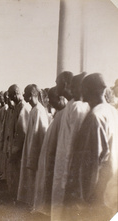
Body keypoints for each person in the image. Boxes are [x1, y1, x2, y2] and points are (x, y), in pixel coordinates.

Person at [64, 73, 118, 220]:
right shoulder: (113, 112)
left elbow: (91, 162)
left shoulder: (96, 116)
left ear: (87, 90)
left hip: (97, 194)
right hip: (111, 190)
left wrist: (83, 197)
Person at [51, 72, 90, 220]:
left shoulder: (78, 107)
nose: (56, 88)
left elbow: (75, 144)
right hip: (62, 164)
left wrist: (68, 174)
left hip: (68, 168)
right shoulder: (70, 106)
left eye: (57, 83)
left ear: (66, 84)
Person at [32, 87, 66, 216]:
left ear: (60, 98)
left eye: (51, 98)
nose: (50, 102)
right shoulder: (58, 113)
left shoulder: (63, 114)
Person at [17, 84, 49, 206]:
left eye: (25, 93)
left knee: (35, 178)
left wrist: (33, 156)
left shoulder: (39, 111)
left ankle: (36, 206)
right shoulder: (33, 110)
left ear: (30, 95)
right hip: (30, 149)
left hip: (36, 151)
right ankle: (32, 203)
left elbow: (38, 135)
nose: (23, 95)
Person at [6, 84, 31, 196]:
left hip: (20, 147)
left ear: (16, 94)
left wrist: (16, 148)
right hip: (14, 144)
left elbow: (22, 130)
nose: (11, 99)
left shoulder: (24, 107)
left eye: (11, 96)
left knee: (20, 170)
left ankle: (20, 194)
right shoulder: (16, 107)